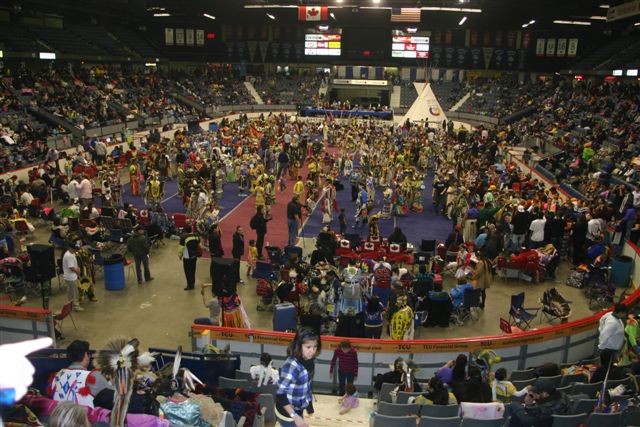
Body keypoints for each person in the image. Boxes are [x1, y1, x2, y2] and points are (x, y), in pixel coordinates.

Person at [276, 328, 320, 427]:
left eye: (315, 347)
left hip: (298, 409)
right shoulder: (292, 365)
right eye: (308, 347)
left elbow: (308, 385)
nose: (312, 351)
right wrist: (295, 417)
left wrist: (309, 405)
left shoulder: (309, 361)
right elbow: (280, 394)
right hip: (287, 413)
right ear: (299, 346)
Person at [48, 340, 104, 408]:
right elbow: (113, 396)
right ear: (86, 355)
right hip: (84, 417)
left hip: (59, 417)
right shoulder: (93, 376)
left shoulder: (55, 376)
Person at [598, 303, 629, 367]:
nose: (625, 314)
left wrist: (601, 329)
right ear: (620, 312)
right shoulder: (612, 323)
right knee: (606, 368)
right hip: (608, 351)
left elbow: (602, 319)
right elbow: (604, 335)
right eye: (624, 313)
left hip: (611, 349)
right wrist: (601, 347)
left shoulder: (611, 315)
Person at [62, 243, 84, 311]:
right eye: (74, 249)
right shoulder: (69, 256)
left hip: (69, 277)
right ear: (70, 248)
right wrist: (78, 271)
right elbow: (71, 267)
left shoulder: (71, 253)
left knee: (70, 292)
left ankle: (70, 306)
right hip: (71, 277)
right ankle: (76, 307)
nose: (75, 250)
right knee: (74, 292)